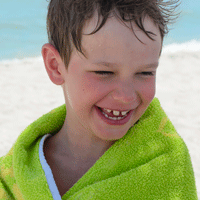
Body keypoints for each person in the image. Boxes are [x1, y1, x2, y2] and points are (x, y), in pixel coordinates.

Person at [0, 0, 198, 199]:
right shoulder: (11, 177)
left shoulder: (166, 166)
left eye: (145, 73)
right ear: (55, 66)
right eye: (104, 72)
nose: (126, 96)